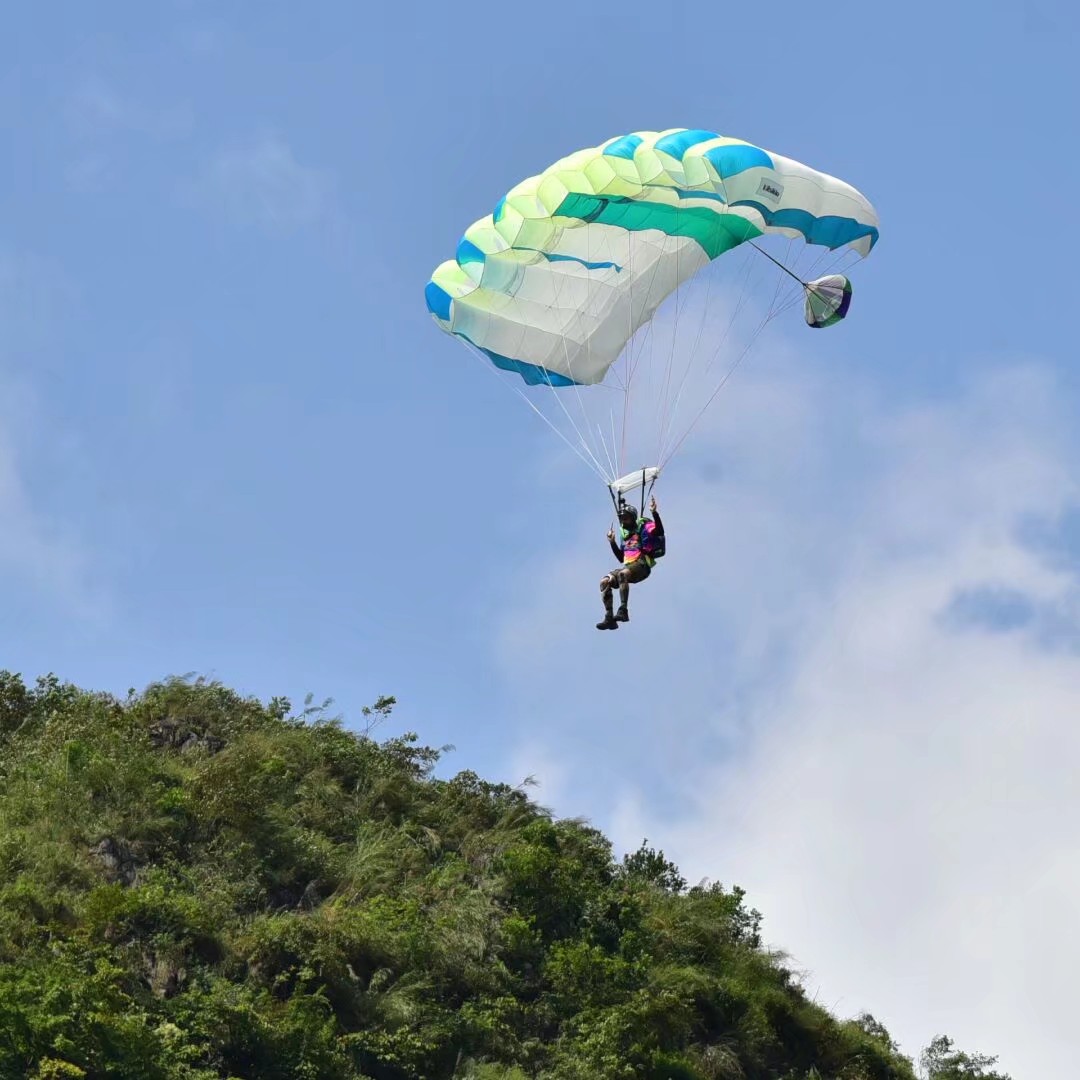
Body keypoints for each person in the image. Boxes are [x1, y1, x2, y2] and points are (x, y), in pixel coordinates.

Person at [597, 494, 665, 630]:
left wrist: (654, 512)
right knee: (604, 582)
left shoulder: (643, 528)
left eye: (626, 518)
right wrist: (612, 542)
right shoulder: (626, 537)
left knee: (623, 574)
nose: (624, 521)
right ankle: (609, 618)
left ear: (633, 518)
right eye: (622, 519)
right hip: (629, 567)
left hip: (642, 565)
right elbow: (621, 558)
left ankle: (623, 611)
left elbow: (659, 531)